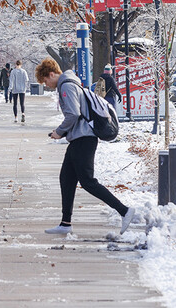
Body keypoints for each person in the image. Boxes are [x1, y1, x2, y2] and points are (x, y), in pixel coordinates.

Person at [36, 58, 135, 236]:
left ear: (51, 74)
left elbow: (73, 114)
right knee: (66, 178)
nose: (47, 85)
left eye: (45, 81)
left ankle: (125, 211)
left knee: (88, 182)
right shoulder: (70, 83)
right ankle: (65, 223)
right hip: (79, 138)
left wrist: (59, 132)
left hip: (84, 139)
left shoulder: (66, 86)